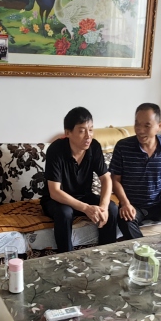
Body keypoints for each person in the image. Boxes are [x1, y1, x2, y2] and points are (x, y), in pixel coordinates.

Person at [41, 107, 118, 253]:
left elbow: (106, 178)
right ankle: (67, 258)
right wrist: (86, 208)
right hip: (57, 201)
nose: (88, 136)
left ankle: (106, 254)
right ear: (68, 133)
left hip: (83, 196)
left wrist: (103, 207)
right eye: (82, 131)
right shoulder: (56, 150)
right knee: (65, 212)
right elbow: (55, 192)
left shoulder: (94, 147)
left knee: (112, 207)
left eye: (91, 129)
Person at [110, 103, 161, 239]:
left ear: (159, 126)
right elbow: (115, 180)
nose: (140, 130)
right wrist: (125, 203)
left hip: (160, 203)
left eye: (147, 126)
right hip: (133, 205)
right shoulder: (123, 147)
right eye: (137, 124)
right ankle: (143, 249)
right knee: (125, 220)